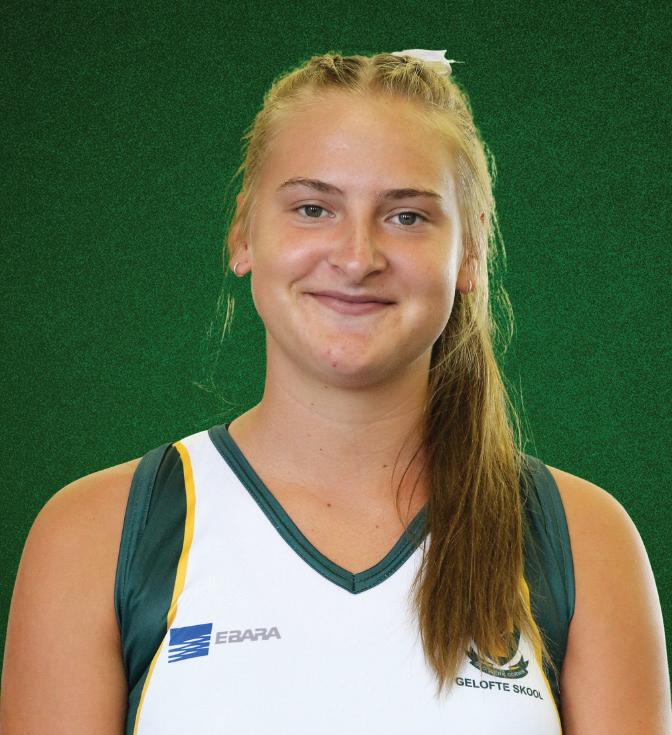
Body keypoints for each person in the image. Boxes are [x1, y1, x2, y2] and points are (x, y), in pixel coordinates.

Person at [1, 50, 670, 734]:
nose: (356, 258)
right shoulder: (97, 535)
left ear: (469, 252)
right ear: (243, 233)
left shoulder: (583, 540)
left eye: (406, 217)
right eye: (313, 208)